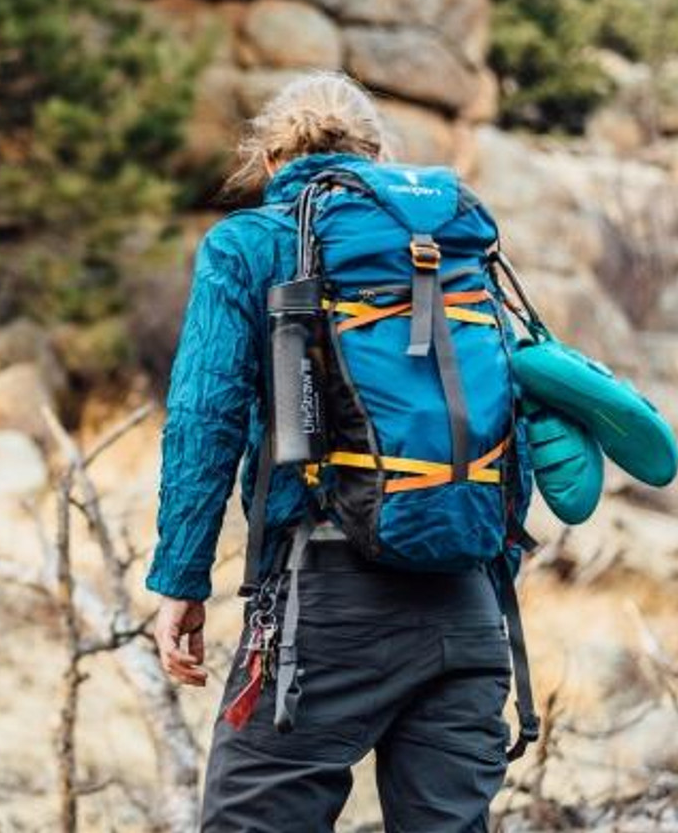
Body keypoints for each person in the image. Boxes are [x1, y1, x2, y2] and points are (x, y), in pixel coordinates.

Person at [148, 71, 518, 832]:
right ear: (376, 153)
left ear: (270, 156)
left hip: (325, 602)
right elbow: (504, 408)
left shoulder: (250, 244)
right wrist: (491, 570)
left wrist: (181, 578)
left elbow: (203, 416)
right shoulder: (448, 249)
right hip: (469, 607)